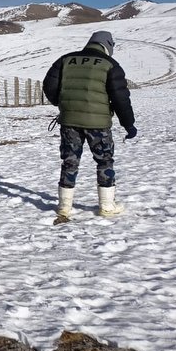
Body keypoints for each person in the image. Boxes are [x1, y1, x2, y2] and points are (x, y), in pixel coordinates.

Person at [43, 31, 136, 221]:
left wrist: (63, 104)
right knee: (104, 161)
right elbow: (120, 98)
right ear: (108, 45)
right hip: (99, 124)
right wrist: (128, 124)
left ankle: (64, 207)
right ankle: (107, 206)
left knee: (70, 162)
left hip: (69, 122)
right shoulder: (110, 65)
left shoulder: (66, 60)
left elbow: (49, 86)